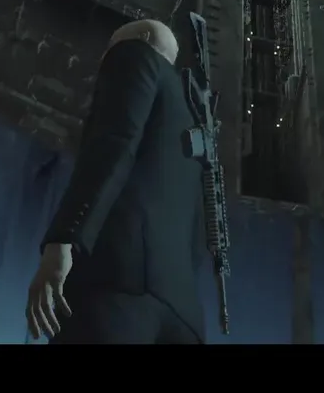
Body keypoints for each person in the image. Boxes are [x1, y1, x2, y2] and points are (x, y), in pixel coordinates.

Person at [27, 18, 207, 344]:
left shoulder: (136, 57)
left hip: (116, 285)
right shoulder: (196, 117)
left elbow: (114, 145)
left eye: (110, 47)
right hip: (185, 316)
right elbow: (198, 225)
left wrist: (64, 239)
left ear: (142, 38)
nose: (105, 58)